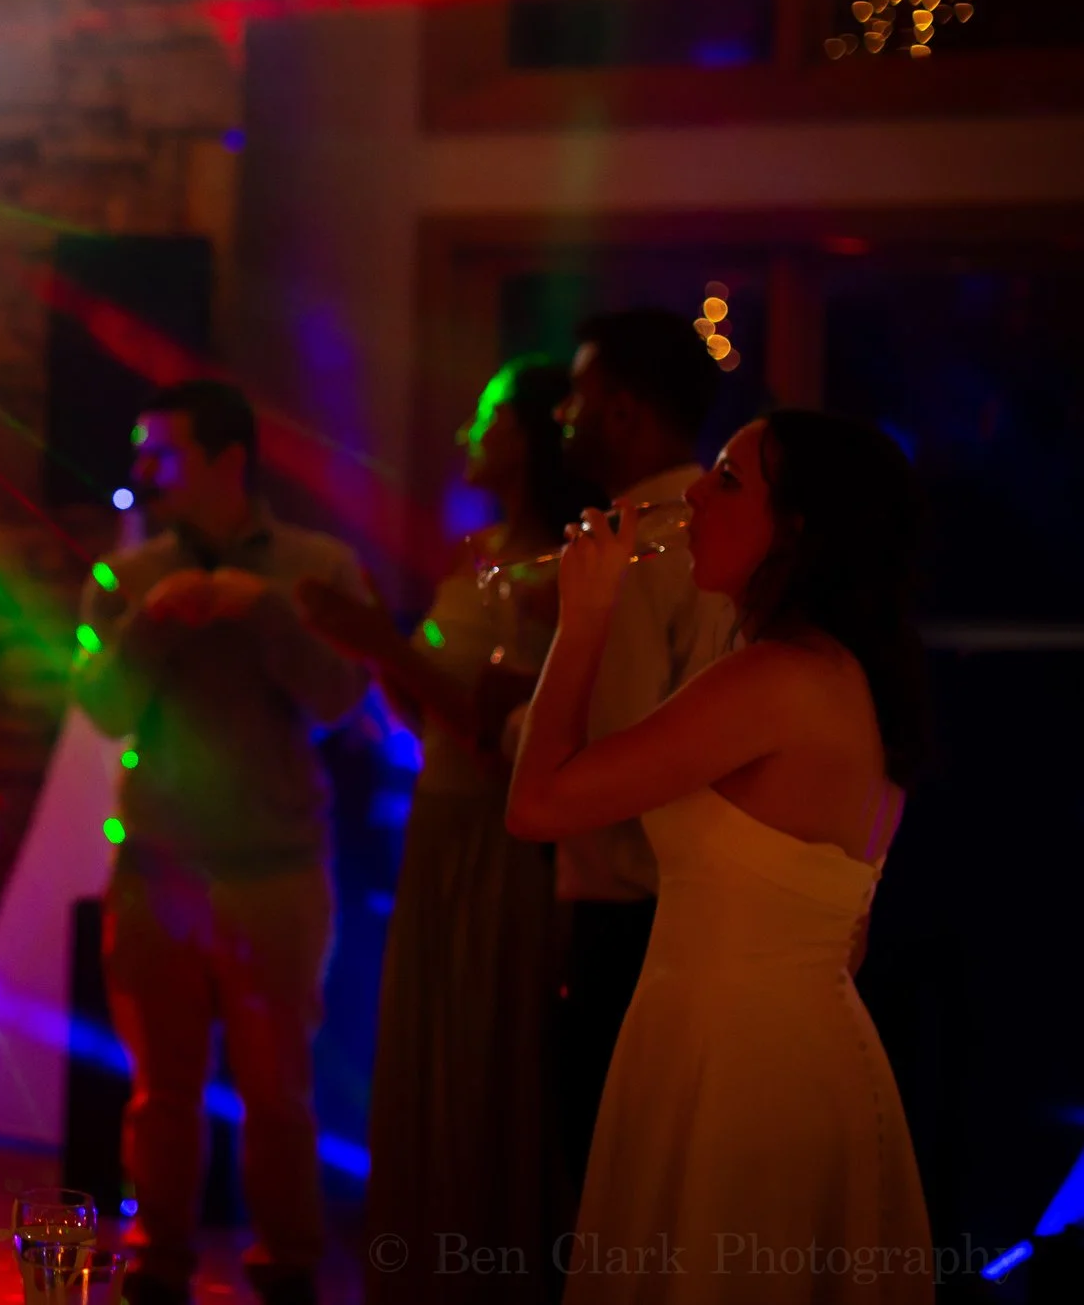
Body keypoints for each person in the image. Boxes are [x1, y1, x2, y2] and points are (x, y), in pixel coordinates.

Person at [508, 412, 930, 1302]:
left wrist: (585, 618)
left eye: (729, 479)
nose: (695, 491)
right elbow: (846, 941)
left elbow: (538, 803)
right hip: (786, 1044)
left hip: (739, 1067)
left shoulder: (774, 678)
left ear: (799, 529)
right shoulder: (846, 676)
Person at [297, 360, 599, 1305]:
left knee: (483, 1053)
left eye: (489, 415)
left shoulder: (560, 569)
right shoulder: (475, 552)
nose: (469, 433)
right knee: (427, 1049)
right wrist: (373, 651)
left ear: (532, 436)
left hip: (499, 834)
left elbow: (500, 732)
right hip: (437, 820)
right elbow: (436, 716)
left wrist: (381, 639)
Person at [72, 379, 373, 1305]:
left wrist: (266, 610)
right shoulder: (127, 576)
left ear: (228, 460)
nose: (142, 470)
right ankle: (157, 1264)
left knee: (279, 1093)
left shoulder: (318, 566)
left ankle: (286, 1266)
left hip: (277, 871)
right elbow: (101, 708)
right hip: (156, 868)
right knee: (159, 1091)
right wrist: (150, 623)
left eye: (161, 453)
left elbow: (342, 697)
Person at [537, 312, 736, 1230]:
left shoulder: (638, 543)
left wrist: (507, 720)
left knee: (612, 1187)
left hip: (628, 909)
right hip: (691, 901)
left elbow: (605, 754)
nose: (563, 414)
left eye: (576, 396)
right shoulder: (707, 535)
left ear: (622, 411)